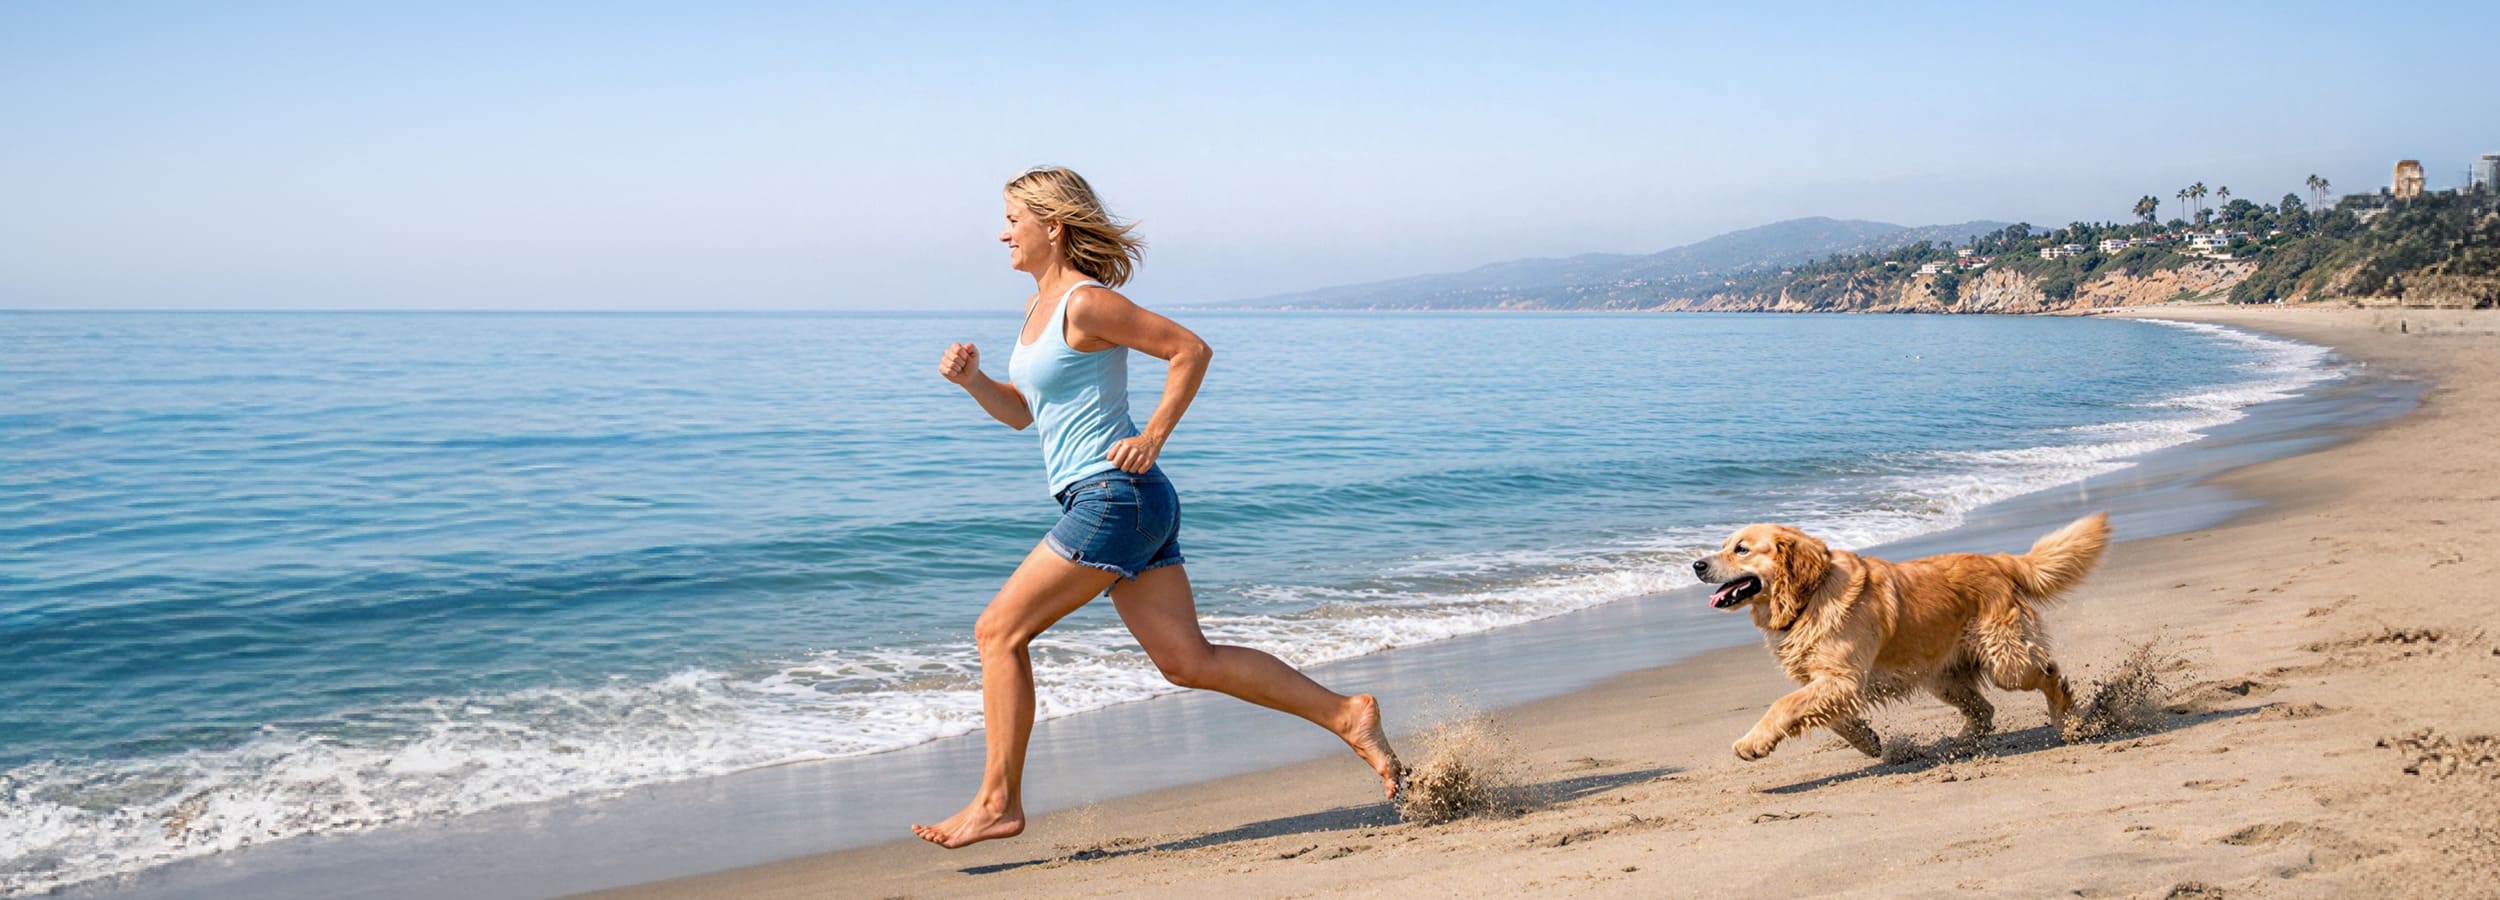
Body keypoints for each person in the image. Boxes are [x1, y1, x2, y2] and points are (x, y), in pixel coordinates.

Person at [913, 166, 1402, 849]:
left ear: (1052, 227)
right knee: (1187, 662)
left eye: (1012, 220)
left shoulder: (1086, 303)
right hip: (1126, 502)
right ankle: (1348, 715)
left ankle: (998, 801)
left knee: (999, 633)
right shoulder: (1037, 312)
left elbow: (1189, 350)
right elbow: (1026, 415)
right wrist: (973, 383)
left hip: (1114, 496)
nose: (1002, 234)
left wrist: (1152, 436)